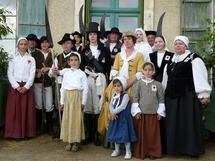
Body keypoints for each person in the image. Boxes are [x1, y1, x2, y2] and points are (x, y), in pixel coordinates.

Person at [162, 36, 212, 157]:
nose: (178, 46)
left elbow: (200, 76)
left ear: (186, 46)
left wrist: (203, 94)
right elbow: (165, 79)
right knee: (173, 122)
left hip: (187, 96)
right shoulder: (171, 60)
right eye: (176, 44)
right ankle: (174, 149)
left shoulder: (194, 59)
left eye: (180, 44)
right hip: (172, 97)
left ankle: (191, 150)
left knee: (188, 121)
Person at [98, 31, 144, 148]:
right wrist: (116, 84)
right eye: (125, 39)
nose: (126, 41)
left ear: (133, 40)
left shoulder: (139, 55)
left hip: (131, 85)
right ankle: (113, 141)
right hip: (117, 85)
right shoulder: (119, 55)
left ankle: (129, 142)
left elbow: (139, 73)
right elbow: (114, 69)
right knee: (111, 106)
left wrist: (127, 85)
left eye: (129, 39)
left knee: (128, 111)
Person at [81, 22, 111, 146]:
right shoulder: (84, 50)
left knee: (98, 106)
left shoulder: (104, 50)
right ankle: (88, 134)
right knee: (88, 105)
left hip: (101, 79)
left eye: (94, 34)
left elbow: (108, 67)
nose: (92, 36)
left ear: (98, 36)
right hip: (88, 79)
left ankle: (96, 134)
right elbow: (81, 67)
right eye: (90, 34)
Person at [131, 62, 165, 160]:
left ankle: (153, 152)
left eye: (149, 70)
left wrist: (160, 112)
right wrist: (136, 112)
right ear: (143, 71)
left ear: (153, 71)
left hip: (153, 114)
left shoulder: (158, 85)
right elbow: (135, 99)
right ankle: (142, 151)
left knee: (152, 135)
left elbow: (161, 99)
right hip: (142, 114)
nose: (147, 72)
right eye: (145, 70)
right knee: (142, 135)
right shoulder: (138, 84)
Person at [5, 37, 36, 139]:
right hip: (15, 87)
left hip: (27, 87)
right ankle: (14, 133)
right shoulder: (13, 58)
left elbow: (32, 74)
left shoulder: (31, 59)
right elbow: (10, 73)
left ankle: (27, 133)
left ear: (27, 46)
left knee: (26, 110)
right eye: (21, 44)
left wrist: (26, 86)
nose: (23, 46)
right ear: (18, 45)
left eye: (25, 44)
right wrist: (17, 86)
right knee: (15, 110)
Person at [149, 35, 174, 154]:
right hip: (154, 86)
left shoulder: (171, 56)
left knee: (164, 112)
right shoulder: (151, 56)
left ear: (164, 43)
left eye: (160, 41)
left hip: (166, 85)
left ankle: (166, 143)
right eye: (156, 42)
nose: (158, 43)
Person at [48, 33, 76, 139]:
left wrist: (60, 72)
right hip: (59, 84)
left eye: (68, 43)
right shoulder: (57, 57)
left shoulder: (76, 57)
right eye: (64, 43)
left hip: (71, 86)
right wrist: (53, 71)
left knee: (70, 108)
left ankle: (69, 130)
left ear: (72, 45)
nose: (65, 45)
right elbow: (51, 72)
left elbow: (74, 70)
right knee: (58, 107)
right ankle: (60, 129)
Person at [60, 52, 88, 152]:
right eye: (71, 60)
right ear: (68, 62)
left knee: (76, 119)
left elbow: (85, 89)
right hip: (68, 97)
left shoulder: (82, 74)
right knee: (68, 118)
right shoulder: (66, 73)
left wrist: (83, 102)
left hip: (77, 97)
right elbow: (62, 88)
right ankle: (69, 141)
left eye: (75, 60)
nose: (73, 62)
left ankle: (76, 142)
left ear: (79, 61)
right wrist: (62, 101)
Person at [107, 76, 137, 160]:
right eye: (115, 86)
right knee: (116, 133)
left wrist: (114, 112)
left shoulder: (125, 96)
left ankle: (128, 151)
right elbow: (111, 105)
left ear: (123, 86)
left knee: (125, 134)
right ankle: (117, 150)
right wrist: (112, 112)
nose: (116, 88)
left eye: (119, 86)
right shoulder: (114, 95)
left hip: (123, 118)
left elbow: (122, 106)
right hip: (115, 118)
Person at [31, 36, 53, 135]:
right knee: (38, 104)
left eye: (46, 42)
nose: (44, 44)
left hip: (48, 82)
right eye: (42, 42)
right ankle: (39, 126)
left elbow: (54, 67)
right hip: (37, 82)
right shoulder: (34, 54)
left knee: (49, 104)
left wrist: (48, 68)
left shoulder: (52, 55)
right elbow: (30, 67)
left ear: (49, 44)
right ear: (40, 44)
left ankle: (49, 126)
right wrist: (38, 71)